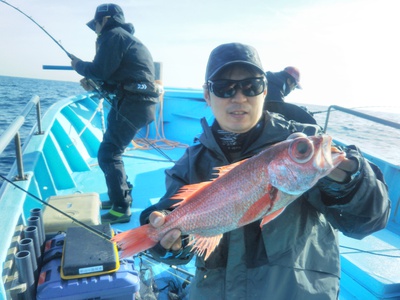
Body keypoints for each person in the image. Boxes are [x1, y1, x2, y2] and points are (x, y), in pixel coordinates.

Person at [139, 42, 390, 299]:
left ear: (265, 90)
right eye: (224, 88)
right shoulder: (190, 162)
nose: (239, 97)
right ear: (206, 95)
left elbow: (368, 222)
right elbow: (180, 245)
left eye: (251, 86)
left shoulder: (304, 143)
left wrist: (349, 180)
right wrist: (168, 240)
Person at [70, 3, 159, 224]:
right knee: (112, 151)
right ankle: (121, 194)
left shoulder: (113, 36)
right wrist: (95, 84)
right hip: (133, 102)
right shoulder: (125, 39)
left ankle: (121, 207)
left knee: (109, 154)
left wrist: (79, 65)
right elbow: (118, 76)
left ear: (106, 20)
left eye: (97, 23)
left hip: (133, 104)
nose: (96, 28)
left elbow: (100, 70)